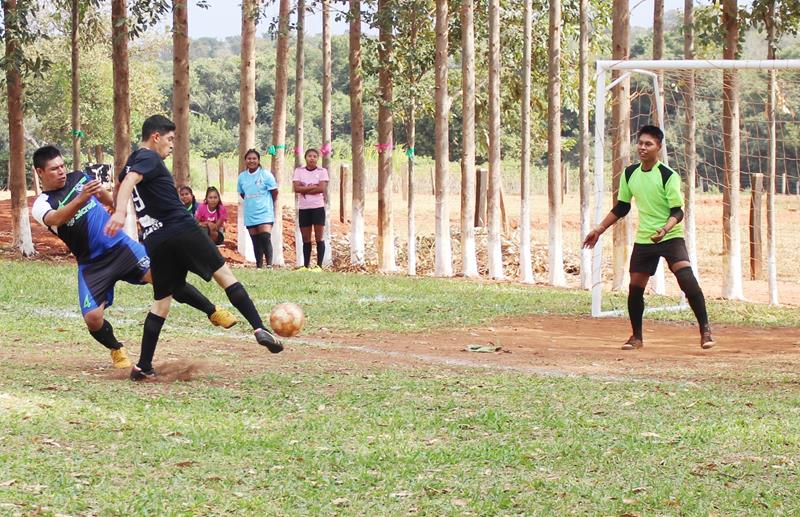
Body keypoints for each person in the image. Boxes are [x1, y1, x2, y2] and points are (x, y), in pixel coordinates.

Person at [105, 115, 283, 381]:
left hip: (154, 239)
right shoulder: (148, 157)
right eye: (169, 139)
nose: (171, 145)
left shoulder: (131, 162)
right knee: (225, 277)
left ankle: (143, 365)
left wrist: (116, 204)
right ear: (155, 137)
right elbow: (130, 181)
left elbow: (126, 182)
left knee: (161, 303)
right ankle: (258, 328)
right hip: (181, 228)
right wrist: (119, 211)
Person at [30, 146, 237, 370]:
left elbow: (106, 198)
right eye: (54, 169)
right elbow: (57, 219)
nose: (61, 171)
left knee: (165, 279)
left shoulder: (80, 177)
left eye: (62, 165)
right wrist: (80, 199)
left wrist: (114, 205)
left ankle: (213, 311)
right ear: (40, 172)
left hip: (122, 248)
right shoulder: (42, 204)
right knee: (92, 318)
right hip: (92, 265)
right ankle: (116, 348)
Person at [582, 125, 715, 351]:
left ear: (659, 148)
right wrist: (599, 229)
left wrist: (665, 229)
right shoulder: (629, 173)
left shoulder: (668, 175)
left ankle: (705, 330)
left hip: (670, 236)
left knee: (686, 278)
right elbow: (622, 207)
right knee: (635, 286)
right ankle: (636, 337)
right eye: (640, 143)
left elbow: (678, 211)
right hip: (645, 239)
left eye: (648, 144)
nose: (643, 148)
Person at [237, 149, 279, 269]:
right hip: (250, 212)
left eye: (254, 158)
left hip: (265, 212)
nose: (251, 161)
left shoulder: (265, 175)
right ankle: (259, 266)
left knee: (265, 237)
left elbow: (274, 192)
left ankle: (269, 265)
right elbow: (242, 193)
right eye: (249, 158)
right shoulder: (242, 177)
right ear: (245, 161)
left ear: (258, 160)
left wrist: (267, 203)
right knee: (255, 240)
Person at [292, 148, 329, 270]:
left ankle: (319, 266)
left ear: (317, 158)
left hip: (318, 207)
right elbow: (296, 188)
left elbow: (321, 189)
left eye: (314, 156)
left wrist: (305, 188)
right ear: (305, 158)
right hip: (304, 208)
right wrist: (312, 186)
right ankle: (306, 266)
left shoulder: (322, 171)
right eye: (309, 156)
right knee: (306, 239)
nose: (312, 158)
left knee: (319, 237)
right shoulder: (299, 171)